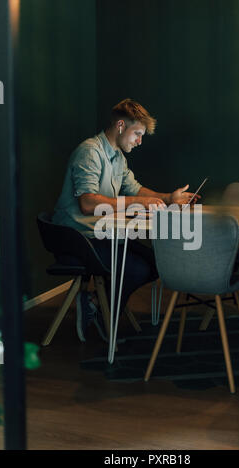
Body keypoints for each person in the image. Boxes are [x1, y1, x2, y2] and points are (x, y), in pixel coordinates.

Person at [52, 98, 197, 342]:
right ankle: (102, 314)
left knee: (154, 262)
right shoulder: (90, 152)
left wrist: (170, 198)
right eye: (137, 134)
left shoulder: (118, 157)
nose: (139, 141)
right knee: (137, 269)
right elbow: (87, 203)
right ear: (121, 125)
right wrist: (137, 204)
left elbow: (135, 189)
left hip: (97, 233)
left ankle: (96, 302)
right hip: (75, 236)